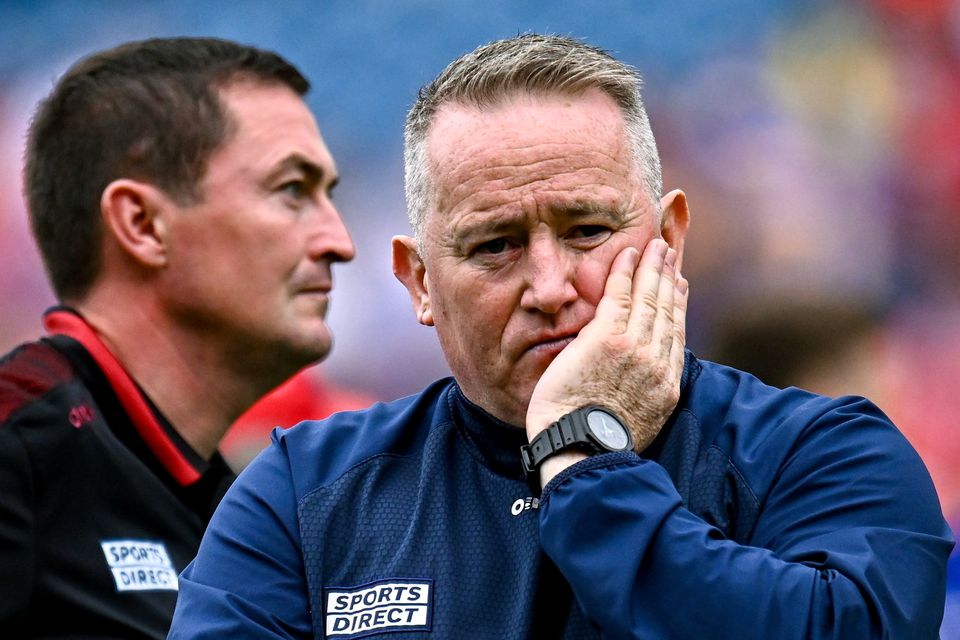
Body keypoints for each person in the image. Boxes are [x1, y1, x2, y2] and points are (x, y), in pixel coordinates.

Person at [169, 34, 953, 638]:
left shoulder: (823, 455)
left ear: (670, 240)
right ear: (417, 283)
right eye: (494, 245)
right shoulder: (300, 498)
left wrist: (582, 461)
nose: (549, 287)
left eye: (586, 230)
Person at [0, 37, 355, 638]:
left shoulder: (241, 509)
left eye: (329, 195)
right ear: (142, 225)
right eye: (292, 189)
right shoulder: (19, 451)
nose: (339, 241)